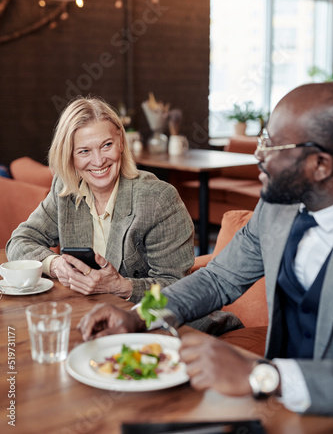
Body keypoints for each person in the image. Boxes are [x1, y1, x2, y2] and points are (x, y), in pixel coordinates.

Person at [78, 83, 333, 415]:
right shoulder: (276, 210)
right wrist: (139, 317)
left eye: (272, 145)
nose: (258, 155)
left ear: (320, 165)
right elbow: (217, 279)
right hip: (276, 407)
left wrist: (263, 375)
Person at [6, 97, 195, 303]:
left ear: (121, 142)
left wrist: (122, 287)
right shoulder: (66, 189)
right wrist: (54, 264)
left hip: (152, 321)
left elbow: (179, 288)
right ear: (69, 156)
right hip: (90, 313)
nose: (98, 161)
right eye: (84, 151)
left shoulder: (158, 199)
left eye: (106, 145)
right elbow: (19, 241)